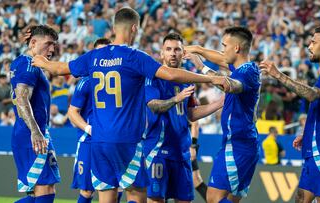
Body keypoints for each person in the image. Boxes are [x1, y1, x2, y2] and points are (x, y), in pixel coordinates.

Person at [31, 7, 229, 203]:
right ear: (134, 28)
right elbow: (170, 74)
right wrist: (210, 79)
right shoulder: (135, 57)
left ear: (115, 28)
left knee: (106, 197)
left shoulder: (94, 56)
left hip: (99, 141)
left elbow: (61, 68)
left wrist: (42, 62)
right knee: (136, 194)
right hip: (127, 140)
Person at [259, 26, 320, 203]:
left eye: (314, 42)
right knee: (302, 198)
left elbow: (312, 94)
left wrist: (279, 75)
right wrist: (307, 133)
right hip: (318, 144)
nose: (309, 46)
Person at [144, 33, 224, 203]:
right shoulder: (154, 78)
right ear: (162, 53)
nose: (173, 53)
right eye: (168, 49)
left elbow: (191, 114)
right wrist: (175, 99)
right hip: (159, 152)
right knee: (156, 200)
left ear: (183, 53)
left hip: (182, 153)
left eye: (177, 50)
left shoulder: (187, 81)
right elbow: (153, 106)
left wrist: (219, 103)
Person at [186, 26, 261, 203]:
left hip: (237, 144)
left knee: (213, 198)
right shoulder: (243, 68)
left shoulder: (247, 72)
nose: (222, 50)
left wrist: (202, 68)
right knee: (230, 199)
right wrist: (198, 49)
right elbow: (219, 58)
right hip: (244, 142)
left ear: (236, 48)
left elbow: (228, 85)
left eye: (224, 45)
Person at [10, 25, 60, 203]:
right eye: (48, 44)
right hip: (32, 133)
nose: (52, 49)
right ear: (33, 42)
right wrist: (35, 131)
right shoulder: (29, 65)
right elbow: (22, 99)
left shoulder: (22, 63)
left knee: (39, 193)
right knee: (46, 189)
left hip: (29, 131)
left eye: (54, 45)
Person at [67, 38, 112, 203]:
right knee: (87, 190)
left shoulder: (119, 80)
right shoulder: (86, 81)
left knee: (113, 187)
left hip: (112, 139)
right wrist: (88, 129)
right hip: (89, 141)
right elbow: (72, 112)